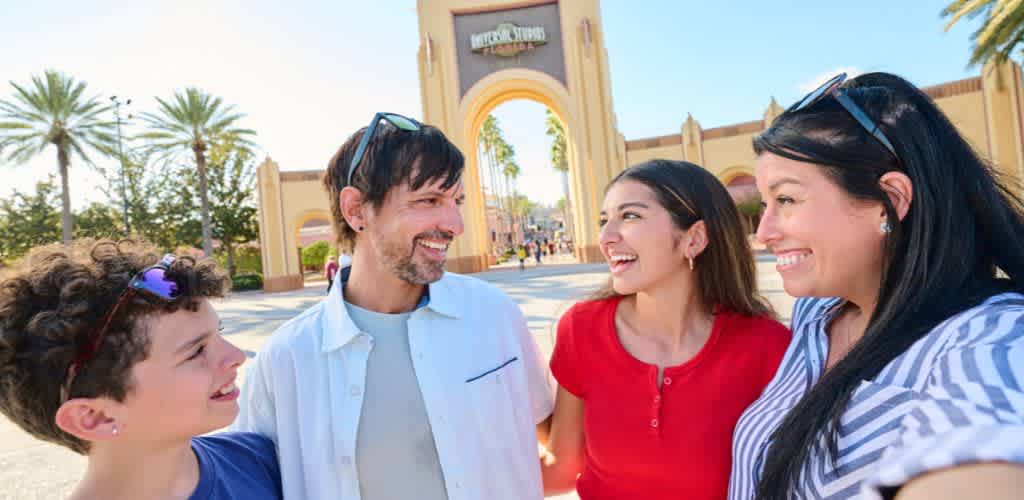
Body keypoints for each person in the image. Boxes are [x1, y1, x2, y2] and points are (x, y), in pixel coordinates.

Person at [729, 72, 1024, 500]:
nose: (764, 232)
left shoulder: (987, 338)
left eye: (787, 199)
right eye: (765, 203)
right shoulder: (818, 314)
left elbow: (982, 436)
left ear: (890, 201)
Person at [234, 112, 554, 500]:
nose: (455, 223)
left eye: (457, 201)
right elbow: (241, 482)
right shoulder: (288, 359)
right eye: (428, 200)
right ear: (356, 211)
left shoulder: (494, 315)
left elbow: (555, 440)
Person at [540, 159, 791, 499]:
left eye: (630, 216)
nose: (606, 237)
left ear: (694, 238)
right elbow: (561, 469)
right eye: (604, 220)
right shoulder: (581, 329)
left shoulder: (769, 346)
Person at [0, 239, 282, 500]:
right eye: (196, 351)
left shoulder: (263, 463)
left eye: (217, 333)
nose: (235, 356)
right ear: (95, 417)